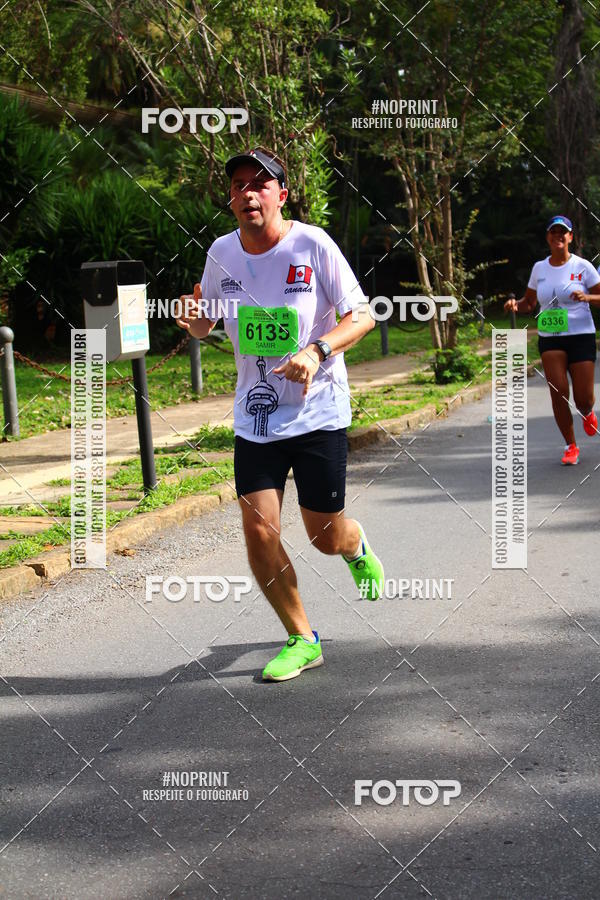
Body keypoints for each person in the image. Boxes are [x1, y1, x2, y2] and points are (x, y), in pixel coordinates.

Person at [176, 147, 384, 681]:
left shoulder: (312, 244)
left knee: (323, 535)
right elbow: (208, 325)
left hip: (317, 413)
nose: (248, 192)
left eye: (260, 183)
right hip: (257, 417)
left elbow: (360, 315)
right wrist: (195, 320)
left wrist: (317, 352)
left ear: (281, 195)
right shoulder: (222, 252)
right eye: (239, 184)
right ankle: (301, 637)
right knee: (259, 531)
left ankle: (355, 544)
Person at [505, 215, 600, 465]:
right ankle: (571, 446)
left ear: (570, 237)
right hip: (551, 337)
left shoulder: (583, 267)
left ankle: (588, 412)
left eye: (563, 232)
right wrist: (517, 305)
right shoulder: (540, 268)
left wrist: (588, 298)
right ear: (548, 237)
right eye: (553, 232)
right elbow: (529, 302)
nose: (558, 236)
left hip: (581, 335)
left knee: (583, 398)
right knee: (558, 392)